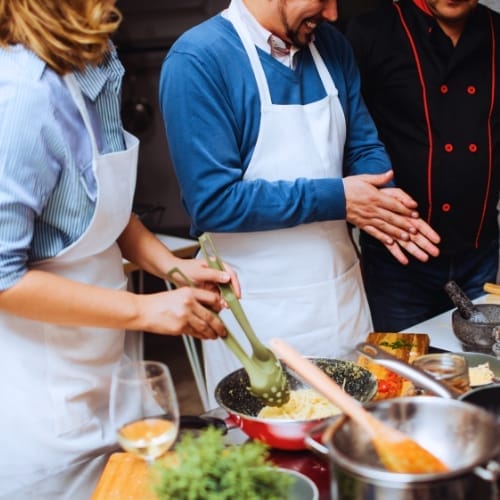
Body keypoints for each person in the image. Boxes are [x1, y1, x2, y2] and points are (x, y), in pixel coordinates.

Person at [0, 1, 240, 498]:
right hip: (41, 409)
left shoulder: (92, 60)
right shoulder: (21, 96)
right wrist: (144, 309)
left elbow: (101, 208)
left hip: (105, 380)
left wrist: (172, 267)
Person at [159, 0, 441, 406]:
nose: (331, 13)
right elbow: (214, 202)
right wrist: (339, 198)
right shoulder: (199, 60)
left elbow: (364, 147)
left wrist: (381, 199)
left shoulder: (332, 48)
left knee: (355, 439)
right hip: (258, 315)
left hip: (341, 303)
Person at [346, 0, 500, 331]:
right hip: (398, 260)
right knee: (401, 374)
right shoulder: (371, 33)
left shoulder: (496, 32)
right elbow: (344, 136)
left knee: (482, 369)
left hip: (479, 253)